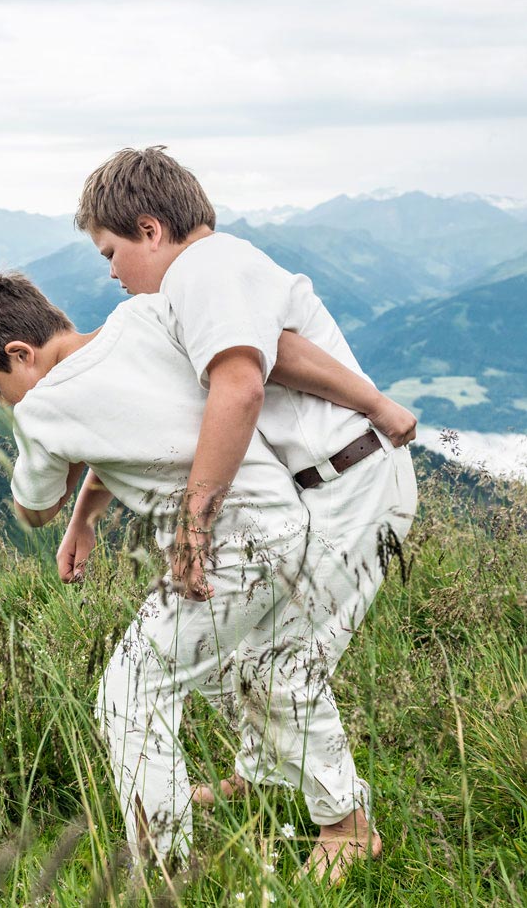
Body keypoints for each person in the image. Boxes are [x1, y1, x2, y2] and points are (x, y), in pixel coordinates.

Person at [60, 146, 418, 882]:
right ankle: (261, 776)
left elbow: (240, 391)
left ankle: (348, 826)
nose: (112, 272)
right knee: (246, 651)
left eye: (112, 251)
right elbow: (267, 361)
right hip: (330, 483)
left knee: (281, 662)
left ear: (152, 229)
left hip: (348, 488)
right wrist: (87, 511)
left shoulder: (204, 269)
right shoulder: (203, 285)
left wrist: (195, 531)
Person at [0, 270, 323, 870]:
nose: (3, 401)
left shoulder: (42, 407)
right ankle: (338, 808)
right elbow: (149, 426)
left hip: (221, 553)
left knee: (129, 696)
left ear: (21, 355)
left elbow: (36, 508)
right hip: (286, 523)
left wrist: (46, 455)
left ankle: (164, 869)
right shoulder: (141, 318)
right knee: (258, 668)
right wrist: (87, 517)